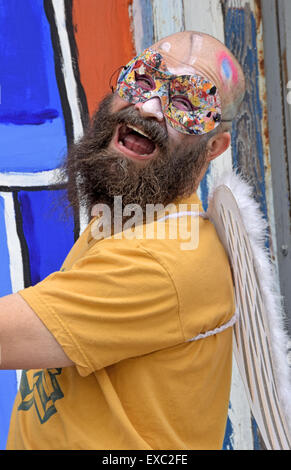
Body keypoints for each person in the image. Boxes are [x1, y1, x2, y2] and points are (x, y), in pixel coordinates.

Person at [2, 31, 245, 450]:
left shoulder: (161, 261)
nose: (148, 106)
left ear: (214, 147)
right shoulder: (132, 212)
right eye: (144, 80)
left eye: (186, 103)